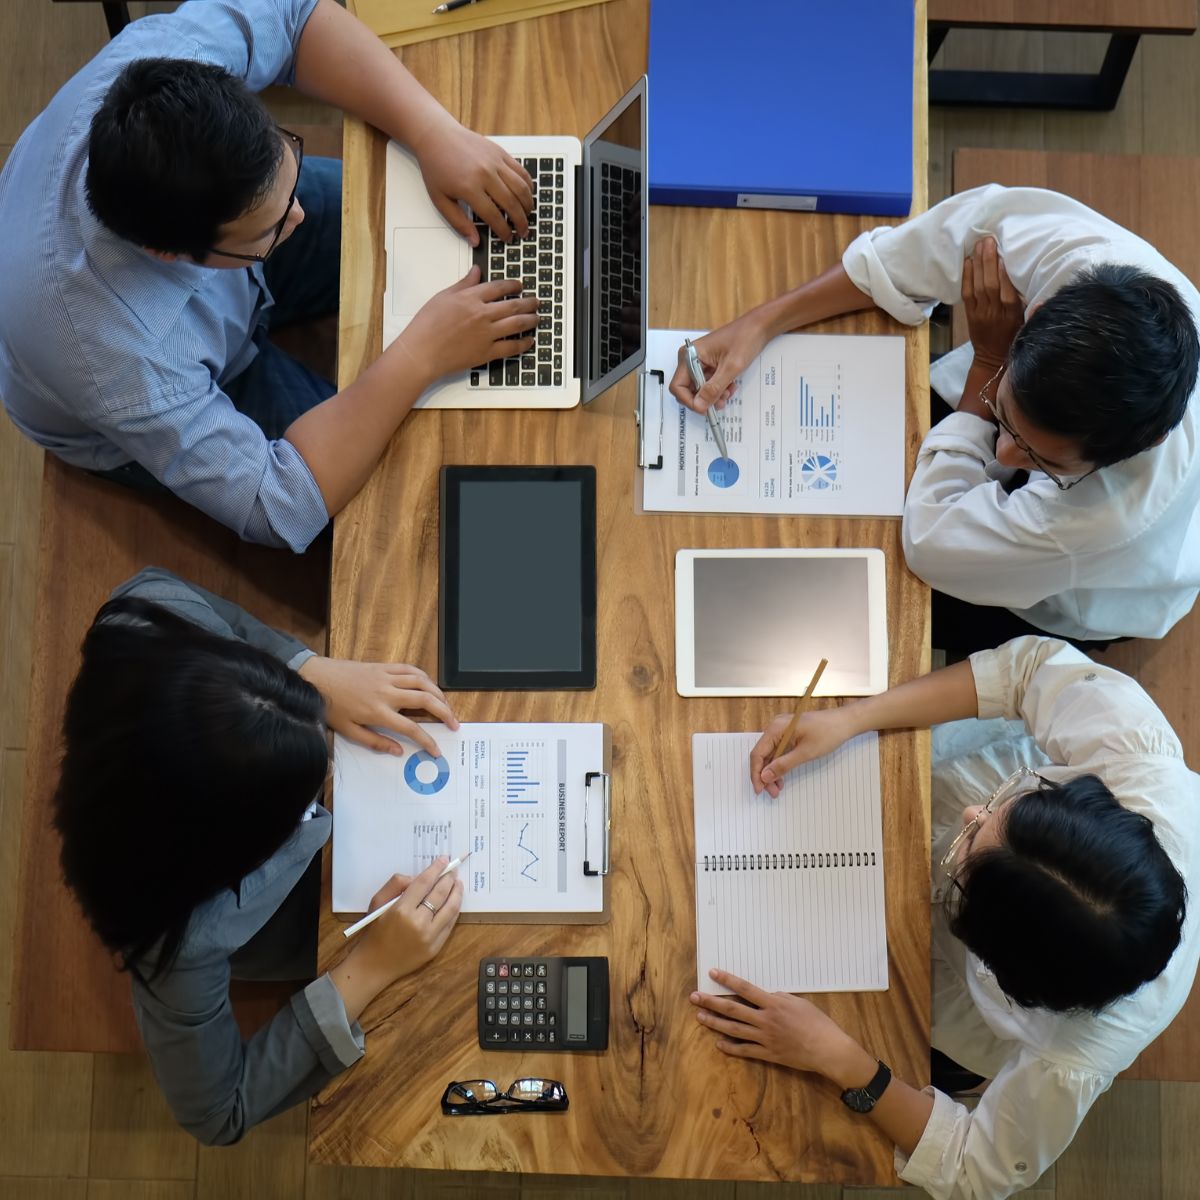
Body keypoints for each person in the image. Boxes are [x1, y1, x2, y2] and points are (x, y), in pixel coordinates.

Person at [0, 0, 539, 551]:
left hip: (198, 266)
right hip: (173, 386)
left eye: (287, 167)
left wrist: (433, 131)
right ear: (168, 253)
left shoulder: (167, 73)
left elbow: (294, 15)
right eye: (271, 228)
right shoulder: (122, 364)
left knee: (420, 212)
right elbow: (280, 503)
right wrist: (418, 355)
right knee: (406, 496)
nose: (298, 215)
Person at [689, 636, 1199, 1199]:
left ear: (998, 959)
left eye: (969, 848)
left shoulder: (1075, 1052)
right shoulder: (1137, 761)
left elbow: (975, 1171)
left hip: (945, 977)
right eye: (1013, 805)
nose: (970, 812)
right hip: (943, 787)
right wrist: (853, 718)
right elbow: (1027, 670)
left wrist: (839, 1058)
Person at [669, 187, 1200, 647]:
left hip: (1092, 585)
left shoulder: (1104, 519)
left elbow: (930, 543)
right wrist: (762, 323)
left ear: (1145, 444)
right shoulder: (1076, 254)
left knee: (879, 596)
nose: (1002, 454)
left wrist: (989, 363)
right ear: (1037, 315)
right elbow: (914, 253)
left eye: (1041, 459)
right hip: (1032, 407)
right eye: (1007, 420)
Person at [53, 566, 465, 1145]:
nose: (330, 773)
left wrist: (311, 675)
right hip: (279, 924)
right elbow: (218, 1114)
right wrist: (371, 965)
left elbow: (146, 590)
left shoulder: (142, 619)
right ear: (235, 849)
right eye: (300, 800)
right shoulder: (181, 944)